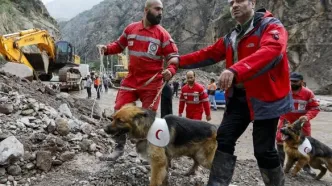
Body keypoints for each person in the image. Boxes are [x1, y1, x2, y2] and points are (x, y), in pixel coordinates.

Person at [166, 0, 293, 185]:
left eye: (239, 0)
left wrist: (235, 70)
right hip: (239, 98)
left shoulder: (271, 26)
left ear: (252, 2)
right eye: (231, 2)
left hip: (266, 98)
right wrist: (180, 61)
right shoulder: (232, 36)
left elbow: (271, 51)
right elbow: (208, 53)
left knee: (263, 150)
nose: (234, 5)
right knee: (223, 138)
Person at [97, 0, 179, 161]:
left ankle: (143, 153)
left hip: (152, 84)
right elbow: (118, 46)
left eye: (162, 9)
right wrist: (106, 49)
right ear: (146, 10)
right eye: (157, 9)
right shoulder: (131, 29)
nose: (160, 12)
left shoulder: (163, 34)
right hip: (131, 81)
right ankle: (118, 148)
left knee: (146, 119)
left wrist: (170, 70)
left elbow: (174, 57)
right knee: (119, 111)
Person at [276, 72, 320, 177]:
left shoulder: (308, 93)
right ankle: (279, 167)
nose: (292, 83)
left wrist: (307, 116)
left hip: (302, 124)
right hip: (286, 122)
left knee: (305, 146)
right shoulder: (284, 90)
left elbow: (315, 108)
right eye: (291, 80)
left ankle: (306, 167)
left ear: (301, 82)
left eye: (295, 81)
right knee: (280, 141)